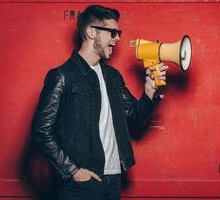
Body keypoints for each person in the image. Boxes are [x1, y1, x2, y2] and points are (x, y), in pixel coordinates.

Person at [32, 4, 168, 200]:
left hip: (114, 178)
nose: (117, 38)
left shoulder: (113, 76)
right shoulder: (62, 76)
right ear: (91, 32)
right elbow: (41, 130)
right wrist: (73, 171)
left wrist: (149, 92)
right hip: (82, 184)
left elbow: (134, 120)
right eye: (113, 32)